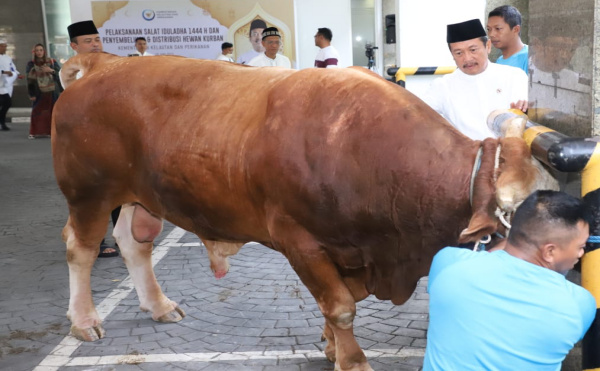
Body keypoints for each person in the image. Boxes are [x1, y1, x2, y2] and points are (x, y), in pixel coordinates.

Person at [424, 190, 596, 370]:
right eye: (580, 246)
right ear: (549, 252)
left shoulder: (447, 263)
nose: (581, 254)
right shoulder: (579, 304)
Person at [422, 19, 528, 140]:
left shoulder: (514, 76)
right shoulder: (442, 86)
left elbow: (532, 113)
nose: (467, 59)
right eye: (459, 53)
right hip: (467, 156)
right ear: (452, 55)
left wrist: (527, 110)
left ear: (488, 46)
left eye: (473, 50)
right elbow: (415, 114)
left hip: (509, 152)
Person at [67, 20, 120, 258]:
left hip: (114, 142)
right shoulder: (70, 74)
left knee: (123, 193)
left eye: (97, 39)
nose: (95, 45)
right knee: (91, 196)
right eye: (87, 41)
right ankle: (94, 243)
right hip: (84, 146)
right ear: (74, 46)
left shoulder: (112, 67)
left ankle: (125, 237)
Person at [26, 44, 62, 139]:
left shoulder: (51, 61)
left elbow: (59, 74)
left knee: (52, 112)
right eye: (37, 50)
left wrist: (51, 70)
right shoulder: (31, 64)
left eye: (41, 50)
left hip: (52, 90)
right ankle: (33, 132)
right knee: (37, 111)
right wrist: (31, 94)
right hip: (38, 91)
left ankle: (51, 132)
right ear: (34, 52)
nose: (39, 52)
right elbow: (29, 80)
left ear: (44, 51)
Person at [487, 5, 528, 74]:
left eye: (498, 28)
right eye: (489, 29)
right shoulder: (499, 61)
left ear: (515, 30)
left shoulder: (530, 58)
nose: (491, 34)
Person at [0, 39, 19, 131]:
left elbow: (13, 68)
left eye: (5, 46)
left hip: (4, 86)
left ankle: (2, 123)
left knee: (7, 103)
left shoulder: (7, 58)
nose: (5, 48)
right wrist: (3, 72)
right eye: (3, 46)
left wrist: (15, 73)